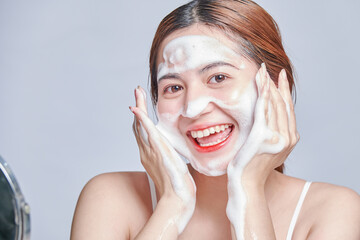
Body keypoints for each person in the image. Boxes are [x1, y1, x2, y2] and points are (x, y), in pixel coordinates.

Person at [70, 0, 360, 239]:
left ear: (272, 86)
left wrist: (248, 191)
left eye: (218, 77)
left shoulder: (332, 210)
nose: (193, 108)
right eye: (173, 87)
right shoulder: (110, 198)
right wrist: (173, 205)